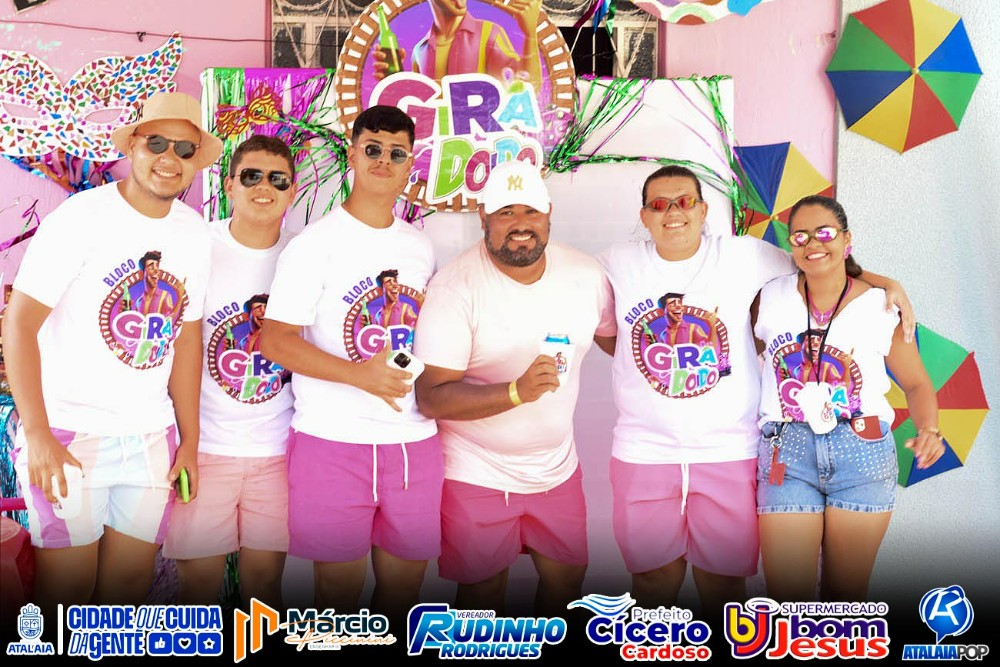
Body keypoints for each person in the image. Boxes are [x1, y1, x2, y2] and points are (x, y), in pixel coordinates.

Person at [597, 165, 913, 620]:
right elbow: (605, 330)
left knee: (724, 585)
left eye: (684, 202)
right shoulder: (616, 262)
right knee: (651, 583)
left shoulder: (744, 255)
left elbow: (818, 263)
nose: (673, 213)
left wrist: (886, 283)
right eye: (659, 205)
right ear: (644, 215)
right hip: (642, 451)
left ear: (703, 209)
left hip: (730, 450)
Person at [3, 91, 221, 609]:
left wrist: (189, 441)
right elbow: (19, 324)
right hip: (69, 433)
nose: (169, 158)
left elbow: (186, 339)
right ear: (133, 146)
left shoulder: (194, 234)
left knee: (125, 595)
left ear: (196, 161)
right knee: (66, 593)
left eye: (184, 149)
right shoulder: (81, 218)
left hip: (150, 437)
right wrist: (37, 435)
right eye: (157, 143)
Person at [259, 106, 440, 623]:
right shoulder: (314, 245)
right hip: (332, 440)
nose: (384, 160)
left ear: (410, 164)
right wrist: (360, 375)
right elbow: (276, 340)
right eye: (373, 149)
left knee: (404, 594)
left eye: (396, 153)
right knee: (336, 599)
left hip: (413, 442)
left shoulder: (420, 247)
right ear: (352, 154)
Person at [413, 159, 616, 616]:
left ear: (549, 213)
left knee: (567, 585)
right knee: (482, 598)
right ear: (483, 217)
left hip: (556, 467)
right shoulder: (455, 288)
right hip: (476, 469)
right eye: (506, 212)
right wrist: (515, 392)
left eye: (530, 211)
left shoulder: (585, 274)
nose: (520, 224)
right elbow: (431, 397)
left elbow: (620, 343)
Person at [754, 195, 943, 602]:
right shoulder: (768, 296)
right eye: (800, 236)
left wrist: (930, 428)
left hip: (862, 450)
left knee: (844, 596)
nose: (812, 243)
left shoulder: (881, 305)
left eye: (824, 233)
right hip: (787, 450)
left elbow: (916, 384)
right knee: (787, 597)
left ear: (846, 238)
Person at [163, 135, 297, 608]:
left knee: (266, 588)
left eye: (278, 179)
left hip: (278, 452)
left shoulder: (303, 255)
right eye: (251, 176)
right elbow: (176, 344)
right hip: (205, 449)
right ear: (228, 184)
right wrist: (186, 442)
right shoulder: (198, 246)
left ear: (292, 190)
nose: (264, 187)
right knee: (197, 589)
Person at [373, 0, 543, 91]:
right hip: (435, 144)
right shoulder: (420, 50)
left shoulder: (489, 33)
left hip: (481, 143)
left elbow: (526, 89)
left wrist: (530, 35)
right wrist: (393, 85)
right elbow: (416, 108)